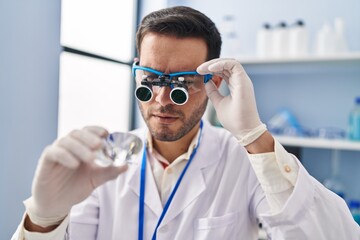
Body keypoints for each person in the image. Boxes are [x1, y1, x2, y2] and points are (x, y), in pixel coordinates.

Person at [12, 6, 359, 240]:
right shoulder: (105, 159)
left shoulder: (243, 162)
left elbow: (333, 234)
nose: (163, 100)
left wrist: (255, 136)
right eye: (150, 79)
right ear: (136, 71)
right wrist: (45, 219)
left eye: (181, 85)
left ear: (213, 82)